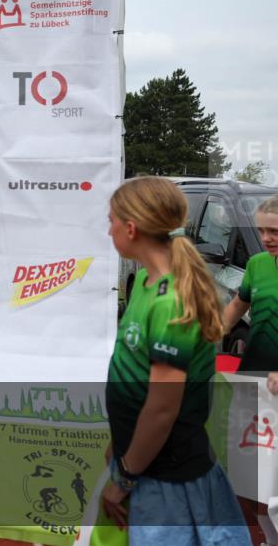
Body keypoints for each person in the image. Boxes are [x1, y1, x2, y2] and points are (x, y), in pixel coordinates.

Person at [102, 176, 250, 544]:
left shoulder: (171, 302)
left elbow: (162, 409)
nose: (108, 231)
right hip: (147, 464)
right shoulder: (147, 283)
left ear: (131, 228)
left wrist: (124, 477)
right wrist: (119, 445)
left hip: (167, 476)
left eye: (111, 221)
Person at [223, 195, 278, 374]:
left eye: (274, 231)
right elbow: (238, 305)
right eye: (261, 231)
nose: (265, 239)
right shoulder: (256, 263)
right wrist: (206, 337)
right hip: (252, 369)